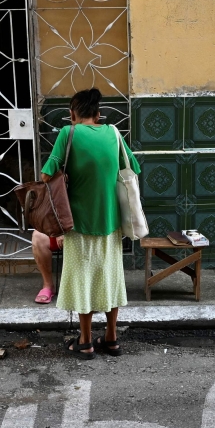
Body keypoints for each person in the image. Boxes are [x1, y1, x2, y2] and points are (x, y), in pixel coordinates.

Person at [40, 88, 140, 359]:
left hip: (78, 223)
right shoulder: (114, 133)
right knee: (109, 278)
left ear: (72, 113)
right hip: (110, 222)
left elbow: (46, 174)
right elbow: (133, 167)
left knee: (84, 280)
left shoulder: (68, 133)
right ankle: (111, 338)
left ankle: (84, 341)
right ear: (98, 114)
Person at [32, 230, 61, 303]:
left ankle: (84, 287)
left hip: (83, 229)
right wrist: (60, 232)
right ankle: (48, 285)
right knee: (38, 237)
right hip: (55, 229)